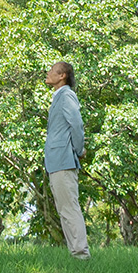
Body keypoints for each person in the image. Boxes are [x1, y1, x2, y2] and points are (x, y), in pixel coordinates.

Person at [44, 60, 89, 259]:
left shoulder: (67, 95)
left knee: (69, 208)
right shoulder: (58, 97)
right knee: (64, 209)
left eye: (52, 71)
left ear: (62, 76)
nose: (48, 73)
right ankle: (76, 253)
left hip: (63, 160)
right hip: (56, 161)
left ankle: (81, 254)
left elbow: (76, 124)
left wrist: (79, 150)